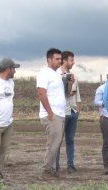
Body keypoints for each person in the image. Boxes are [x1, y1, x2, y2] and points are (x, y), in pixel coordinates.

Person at [37, 48, 66, 180]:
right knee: (53, 143)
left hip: (59, 114)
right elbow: (41, 92)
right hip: (52, 115)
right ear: (49, 59)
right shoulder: (44, 73)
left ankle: (51, 169)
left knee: (56, 143)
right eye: (57, 59)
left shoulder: (56, 74)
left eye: (61, 59)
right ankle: (46, 170)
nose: (60, 61)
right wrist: (50, 112)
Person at [55, 50, 81, 174]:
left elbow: (78, 95)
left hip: (72, 110)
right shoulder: (56, 76)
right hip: (61, 112)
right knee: (58, 140)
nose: (73, 62)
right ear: (64, 60)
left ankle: (70, 165)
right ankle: (56, 166)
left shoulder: (74, 76)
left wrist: (78, 110)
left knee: (70, 140)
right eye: (71, 60)